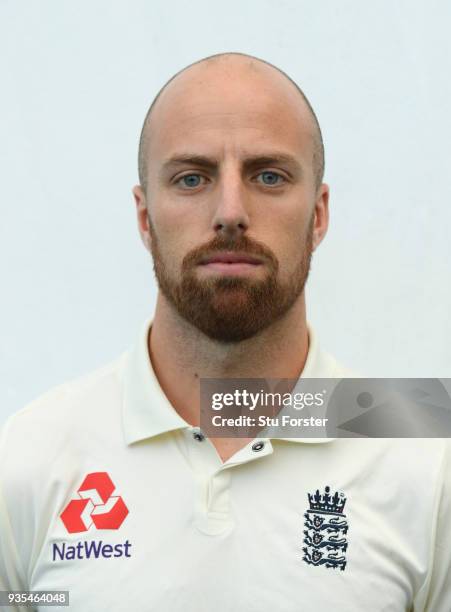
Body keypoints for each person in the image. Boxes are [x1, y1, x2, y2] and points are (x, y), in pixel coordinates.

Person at [0, 52, 449, 612]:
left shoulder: (429, 452)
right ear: (144, 217)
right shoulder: (28, 455)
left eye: (268, 176)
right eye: (192, 178)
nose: (230, 211)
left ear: (318, 214)